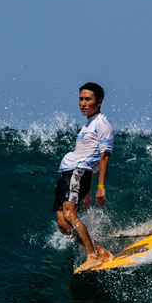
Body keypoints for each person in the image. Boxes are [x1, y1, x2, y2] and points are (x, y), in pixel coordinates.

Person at [52, 82, 115, 272]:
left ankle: (92, 257)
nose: (83, 103)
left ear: (99, 101)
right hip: (70, 174)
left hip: (78, 173)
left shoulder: (102, 124)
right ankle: (101, 252)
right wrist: (85, 191)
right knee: (63, 224)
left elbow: (103, 157)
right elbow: (90, 156)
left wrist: (100, 187)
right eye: (81, 99)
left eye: (88, 99)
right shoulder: (87, 125)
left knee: (70, 215)